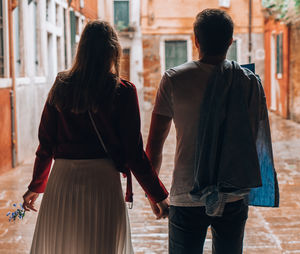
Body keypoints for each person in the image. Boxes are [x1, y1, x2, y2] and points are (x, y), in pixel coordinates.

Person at [22, 20, 169, 254]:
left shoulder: (61, 85)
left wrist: (36, 185)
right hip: (102, 182)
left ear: (82, 49)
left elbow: (46, 144)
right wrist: (158, 195)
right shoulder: (123, 90)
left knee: (66, 245)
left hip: (63, 181)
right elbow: (133, 152)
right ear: (113, 51)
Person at [146, 9, 278, 254]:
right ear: (230, 41)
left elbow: (153, 147)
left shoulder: (173, 80)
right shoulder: (249, 82)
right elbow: (254, 139)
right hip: (234, 193)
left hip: (186, 193)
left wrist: (154, 195)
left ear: (196, 39)